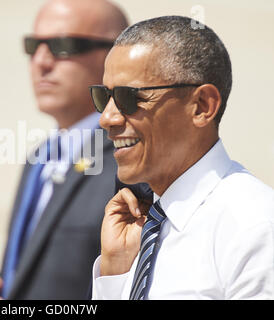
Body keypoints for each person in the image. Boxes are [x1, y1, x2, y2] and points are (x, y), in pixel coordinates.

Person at [0, 0, 142, 299]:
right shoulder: (40, 158)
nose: (41, 62)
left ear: (115, 58)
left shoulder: (132, 161)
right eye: (34, 45)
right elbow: (35, 268)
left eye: (63, 46)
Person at [90, 15, 274, 299]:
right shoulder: (139, 230)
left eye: (128, 97)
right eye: (104, 97)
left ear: (202, 106)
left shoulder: (255, 227)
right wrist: (116, 273)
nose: (107, 118)